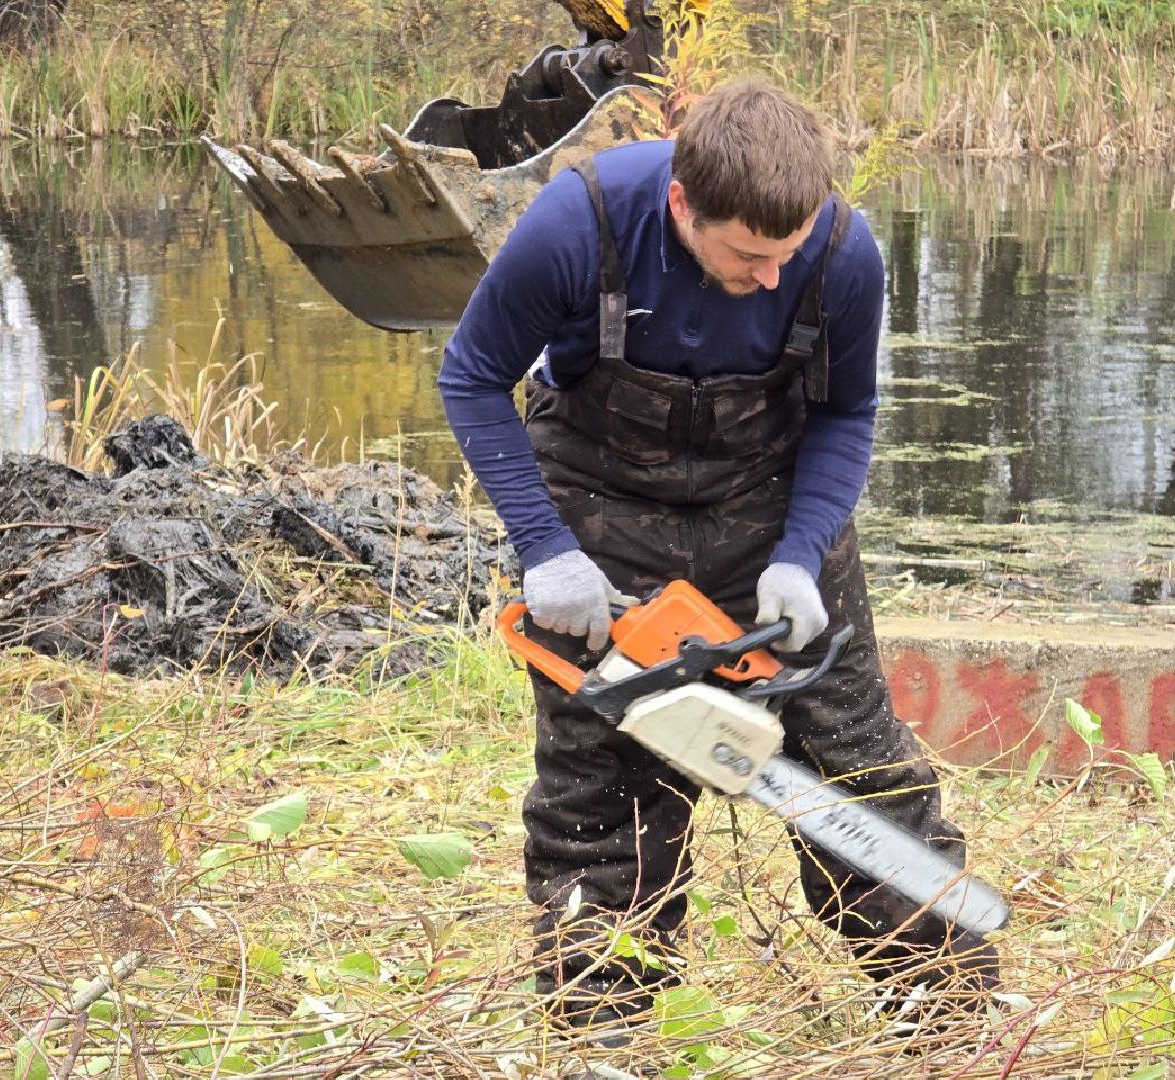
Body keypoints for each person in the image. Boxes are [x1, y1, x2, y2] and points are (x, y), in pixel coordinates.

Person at [438, 77, 998, 1038]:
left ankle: (949, 1010)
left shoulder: (838, 254)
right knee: (600, 792)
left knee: (861, 771)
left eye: (786, 255)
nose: (771, 276)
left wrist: (802, 554)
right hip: (603, 510)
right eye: (748, 256)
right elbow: (473, 376)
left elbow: (847, 412)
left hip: (772, 506)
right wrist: (548, 551)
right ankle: (604, 1029)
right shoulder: (581, 224)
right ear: (683, 205)